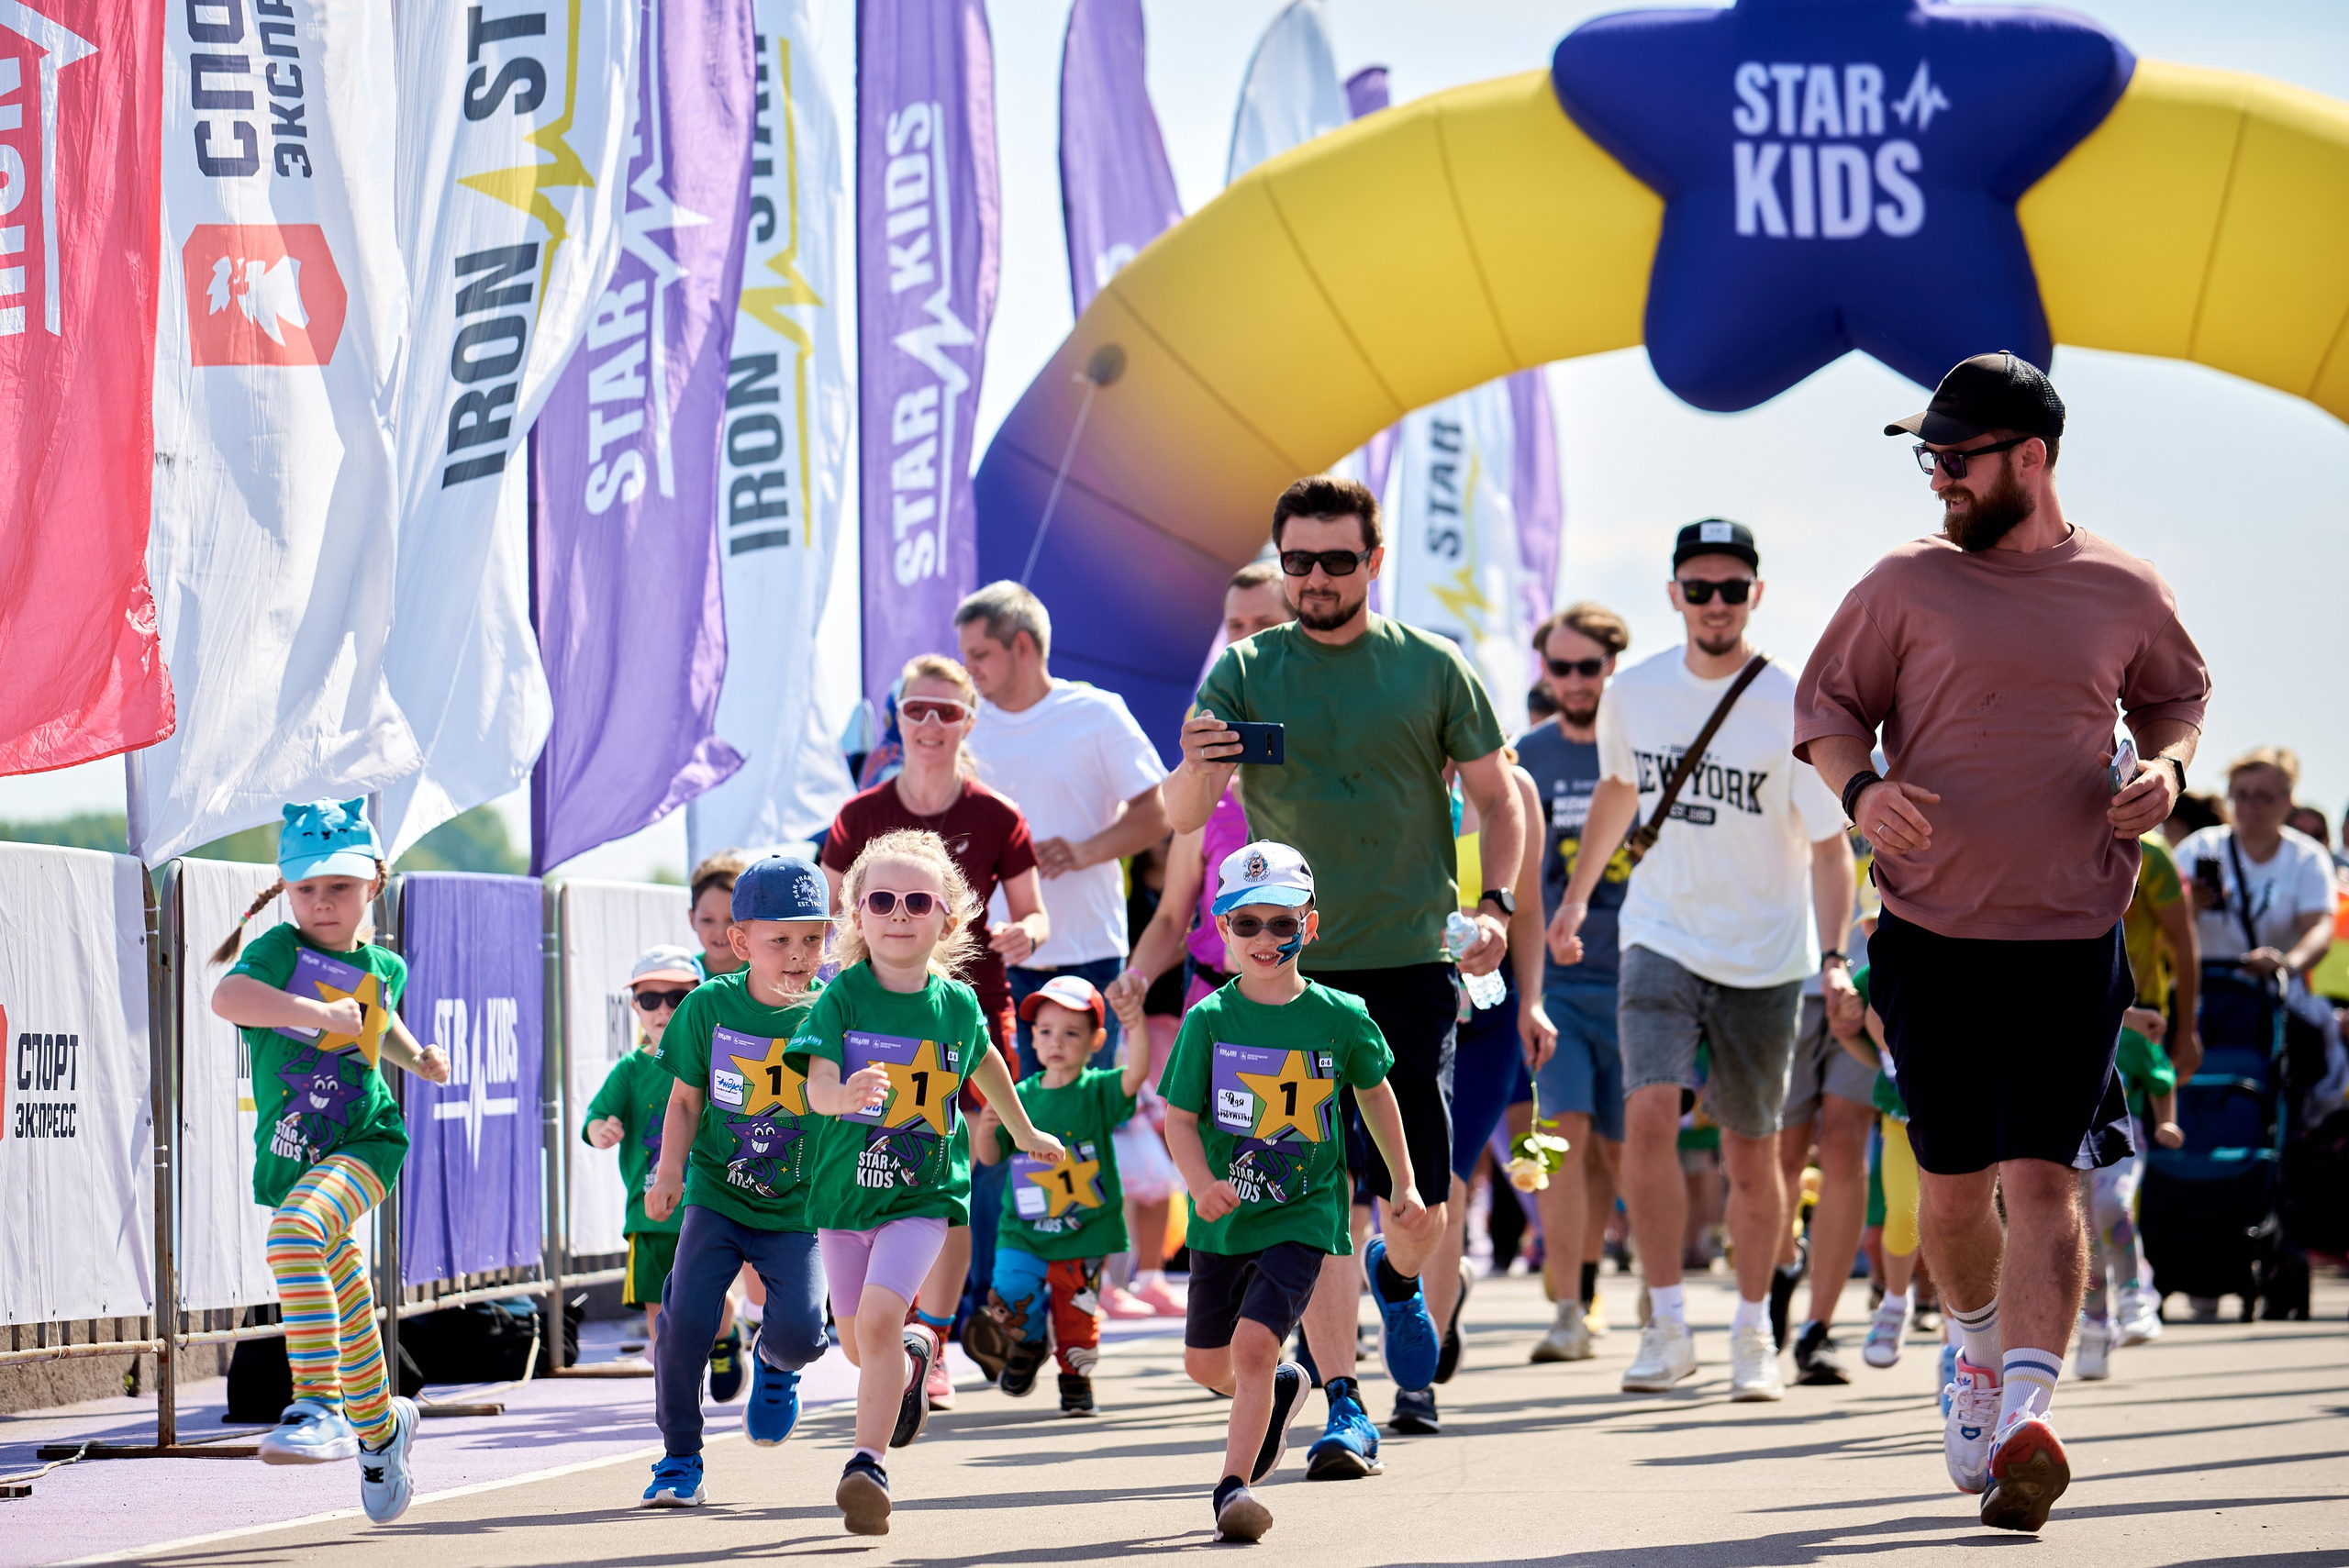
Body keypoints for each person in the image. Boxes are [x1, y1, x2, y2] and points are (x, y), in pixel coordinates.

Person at [1793, 350, 2210, 1534]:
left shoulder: (2123, 587)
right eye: (1928, 457)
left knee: (2045, 1174)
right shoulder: (1903, 582)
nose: (1938, 479)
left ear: (2031, 458)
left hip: (2074, 927)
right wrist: (1863, 792)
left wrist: (2168, 768)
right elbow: (1827, 710)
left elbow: (2175, 697)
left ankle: (2029, 1412)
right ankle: (1973, 1350)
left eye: (1956, 458)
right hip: (1928, 929)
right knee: (1952, 1186)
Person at [1166, 474, 1523, 1453]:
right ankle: (1344, 1401)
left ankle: (1399, 1277)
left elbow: (1500, 797)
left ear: (1372, 560)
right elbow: (1184, 817)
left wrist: (1494, 905)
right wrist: (1197, 759)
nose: (1314, 577)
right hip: (1291, 970)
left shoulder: (1431, 666)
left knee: (1421, 1205)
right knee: (1313, 1193)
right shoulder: (1245, 667)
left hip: (1410, 963)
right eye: (1297, 561)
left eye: (1335, 559)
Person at [1553, 518, 1857, 1403]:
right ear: (1675, 595)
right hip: (1659, 933)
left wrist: (1835, 958)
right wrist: (1576, 900)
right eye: (1699, 587)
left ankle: (1754, 1325)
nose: (1715, 603)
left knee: (1750, 1151)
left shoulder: (1794, 701)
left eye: (1732, 588)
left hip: (1765, 952)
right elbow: (1618, 787)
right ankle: (1668, 1321)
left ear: (1756, 594)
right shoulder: (1634, 692)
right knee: (1648, 1114)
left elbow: (1833, 847)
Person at [789, 829, 1064, 1537]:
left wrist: (1023, 1129)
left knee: (880, 1320)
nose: (899, 912)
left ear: (948, 918)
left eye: (918, 900)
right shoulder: (841, 997)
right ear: (856, 916)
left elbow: (987, 1065)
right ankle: (913, 1361)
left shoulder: (956, 1005)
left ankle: (867, 1464)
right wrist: (840, 1095)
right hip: (842, 1198)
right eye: (881, 899)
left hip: (923, 1196)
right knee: (856, 1343)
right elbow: (814, 1080)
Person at [1160, 840, 1432, 1541]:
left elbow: (1376, 1094)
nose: (1264, 938)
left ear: (1309, 927)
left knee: (1254, 1345)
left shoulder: (1341, 1015)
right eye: (1246, 923)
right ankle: (1282, 1390)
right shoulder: (1209, 1020)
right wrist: (1199, 1183)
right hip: (1223, 1217)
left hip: (1305, 1212)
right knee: (1206, 1362)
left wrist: (1403, 1178)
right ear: (1221, 926)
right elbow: (1180, 1119)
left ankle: (1232, 1487)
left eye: (1282, 924)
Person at [207, 799, 451, 1523]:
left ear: (373, 885)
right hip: (295, 1149)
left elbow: (381, 1022)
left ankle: (315, 1403)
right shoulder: (280, 951)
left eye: (339, 887)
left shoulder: (384, 965)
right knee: (342, 1288)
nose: (321, 901)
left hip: (366, 1141)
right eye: (308, 887)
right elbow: (227, 997)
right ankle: (381, 1429)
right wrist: (316, 1015)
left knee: (292, 1236)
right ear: (286, 888)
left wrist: (418, 1057)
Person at [822, 652, 1050, 1407]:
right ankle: (891, 1330)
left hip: (967, 1013)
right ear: (898, 719)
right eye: (916, 708)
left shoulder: (997, 814)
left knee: (955, 1176)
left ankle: (936, 1337)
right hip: (870, 1024)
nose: (929, 723)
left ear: (968, 721)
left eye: (946, 711)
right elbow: (826, 920)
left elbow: (1034, 911)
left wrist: (1026, 935)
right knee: (887, 1165)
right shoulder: (857, 817)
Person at [1105, 561, 1297, 1318]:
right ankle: (1248, 1321)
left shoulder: (1334, 764)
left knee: (1308, 1169)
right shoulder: (1207, 786)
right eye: (1235, 627)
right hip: (1214, 1007)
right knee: (1219, 1166)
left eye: (1262, 624)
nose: (1245, 641)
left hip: (1307, 1004)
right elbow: (1170, 915)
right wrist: (1134, 973)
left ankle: (1314, 1321)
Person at [637, 861, 836, 1506]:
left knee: (804, 1331)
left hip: (799, 1207)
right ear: (742, 940)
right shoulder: (707, 1007)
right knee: (685, 1320)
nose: (799, 954)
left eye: (812, 938)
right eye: (780, 940)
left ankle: (776, 1370)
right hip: (717, 1194)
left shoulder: (834, 1009)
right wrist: (670, 1171)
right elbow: (686, 1100)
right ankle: (679, 1459)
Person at [955, 581, 1170, 1075]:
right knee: (996, 1123)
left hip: (1088, 952)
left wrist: (1083, 851)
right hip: (987, 958)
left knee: (1078, 1124)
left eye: (980, 653)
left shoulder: (1097, 713)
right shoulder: (966, 725)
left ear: (1023, 647)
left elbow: (1157, 814)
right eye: (965, 655)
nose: (968, 669)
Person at [1410, 750, 1549, 1423]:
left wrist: (1534, 1003)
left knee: (1450, 1175)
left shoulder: (1511, 788)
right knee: (1389, 1189)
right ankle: (1428, 1301)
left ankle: (1418, 1373)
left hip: (1491, 1014)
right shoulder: (1386, 776)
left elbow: (1530, 908)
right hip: (1407, 1003)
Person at [1516, 602, 1634, 1363]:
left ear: (1612, 667)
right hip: (1555, 984)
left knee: (1624, 1152)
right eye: (1559, 667)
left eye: (1588, 667)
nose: (1573, 680)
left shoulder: (1646, 746)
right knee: (1559, 1140)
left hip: (1642, 979)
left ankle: (1654, 1296)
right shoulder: (1524, 754)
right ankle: (1569, 1305)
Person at [968, 974, 1152, 1414]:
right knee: (1009, 1293)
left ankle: (1075, 1380)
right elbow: (991, 1159)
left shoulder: (1098, 1090)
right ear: (1032, 1036)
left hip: (1084, 1234)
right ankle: (1028, 1345)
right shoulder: (1019, 1095)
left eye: (1072, 1033)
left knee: (1079, 1317)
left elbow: (1138, 1073)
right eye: (1046, 1031)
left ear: (1096, 1040)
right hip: (1023, 1232)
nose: (1056, 1042)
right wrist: (990, 1131)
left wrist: (1137, 1022)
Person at [584, 943, 745, 1397]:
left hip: (708, 1203)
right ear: (634, 1006)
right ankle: (676, 1385)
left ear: (697, 998)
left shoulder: (717, 1061)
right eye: (649, 999)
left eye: (675, 997)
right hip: (648, 1212)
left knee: (711, 1301)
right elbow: (596, 1117)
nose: (662, 1009)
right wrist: (602, 1130)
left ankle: (726, 1336)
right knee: (659, 1306)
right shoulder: (630, 1070)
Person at [1773, 830, 1879, 1385]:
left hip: (1862, 988)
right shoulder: (1774, 754)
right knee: (1780, 1158)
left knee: (1844, 1147)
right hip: (1778, 980)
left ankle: (1818, 1328)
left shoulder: (1899, 763)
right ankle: (1778, 1272)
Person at [2176, 748, 2337, 999]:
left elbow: (2319, 928)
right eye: (2241, 795)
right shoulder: (2200, 847)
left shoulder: (2308, 858)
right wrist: (2184, 908)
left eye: (2264, 796)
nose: (2250, 806)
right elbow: (2156, 919)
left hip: (2274, 1005)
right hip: (2203, 1000)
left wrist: (2286, 964)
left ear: (2289, 800)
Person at [687, 852, 751, 979]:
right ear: (692, 919)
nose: (720, 931)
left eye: (731, 919)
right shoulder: (681, 975)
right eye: (707, 920)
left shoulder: (768, 973)